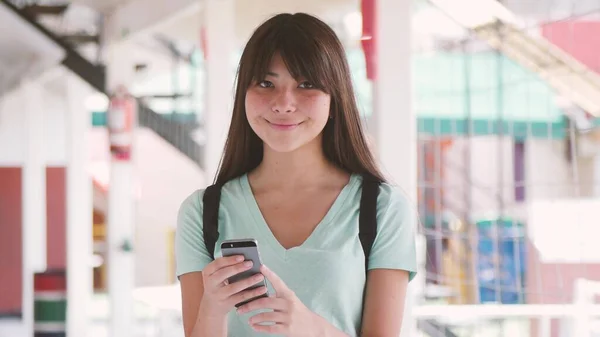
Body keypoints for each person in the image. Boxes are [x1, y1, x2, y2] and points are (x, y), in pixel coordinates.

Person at [176, 12, 417, 337]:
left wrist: (312, 328)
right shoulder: (202, 212)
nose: (284, 103)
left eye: (306, 84)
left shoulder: (382, 208)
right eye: (266, 83)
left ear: (335, 96)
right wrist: (213, 309)